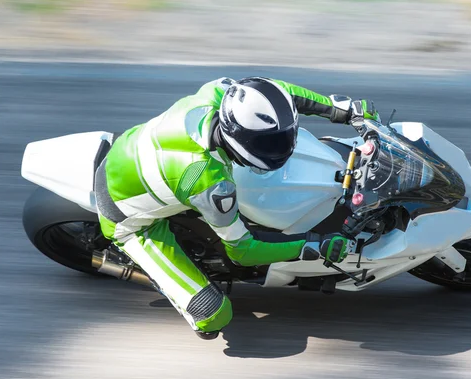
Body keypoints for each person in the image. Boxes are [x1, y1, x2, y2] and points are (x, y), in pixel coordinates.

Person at [94, 77, 380, 339]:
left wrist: (338, 108)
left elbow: (278, 95)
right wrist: (315, 244)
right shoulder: (209, 182)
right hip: (129, 219)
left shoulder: (221, 94)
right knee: (214, 316)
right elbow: (243, 252)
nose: (284, 146)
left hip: (131, 150)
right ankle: (153, 276)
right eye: (271, 143)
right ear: (241, 140)